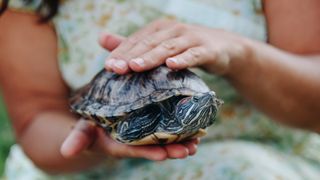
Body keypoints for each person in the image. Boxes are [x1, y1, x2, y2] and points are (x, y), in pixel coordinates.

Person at [0, 0, 319, 179]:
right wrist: (99, 137)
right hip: (102, 174)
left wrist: (238, 53)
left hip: (266, 160)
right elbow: (37, 115)